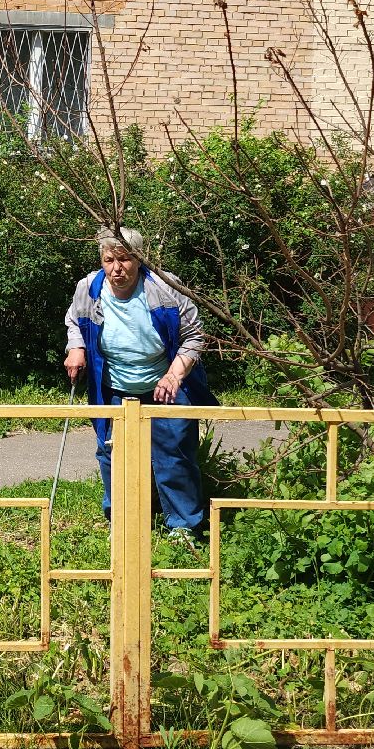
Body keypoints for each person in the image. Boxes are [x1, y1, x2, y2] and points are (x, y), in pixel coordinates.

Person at [64, 227, 215, 537]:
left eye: (125, 259)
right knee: (112, 453)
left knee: (174, 454)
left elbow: (195, 335)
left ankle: (184, 527)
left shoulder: (164, 287)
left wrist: (174, 374)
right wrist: (76, 348)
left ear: (139, 258)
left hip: (166, 383)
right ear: (101, 261)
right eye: (109, 260)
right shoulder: (88, 288)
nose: (117, 268)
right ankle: (122, 521)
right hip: (113, 387)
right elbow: (74, 321)